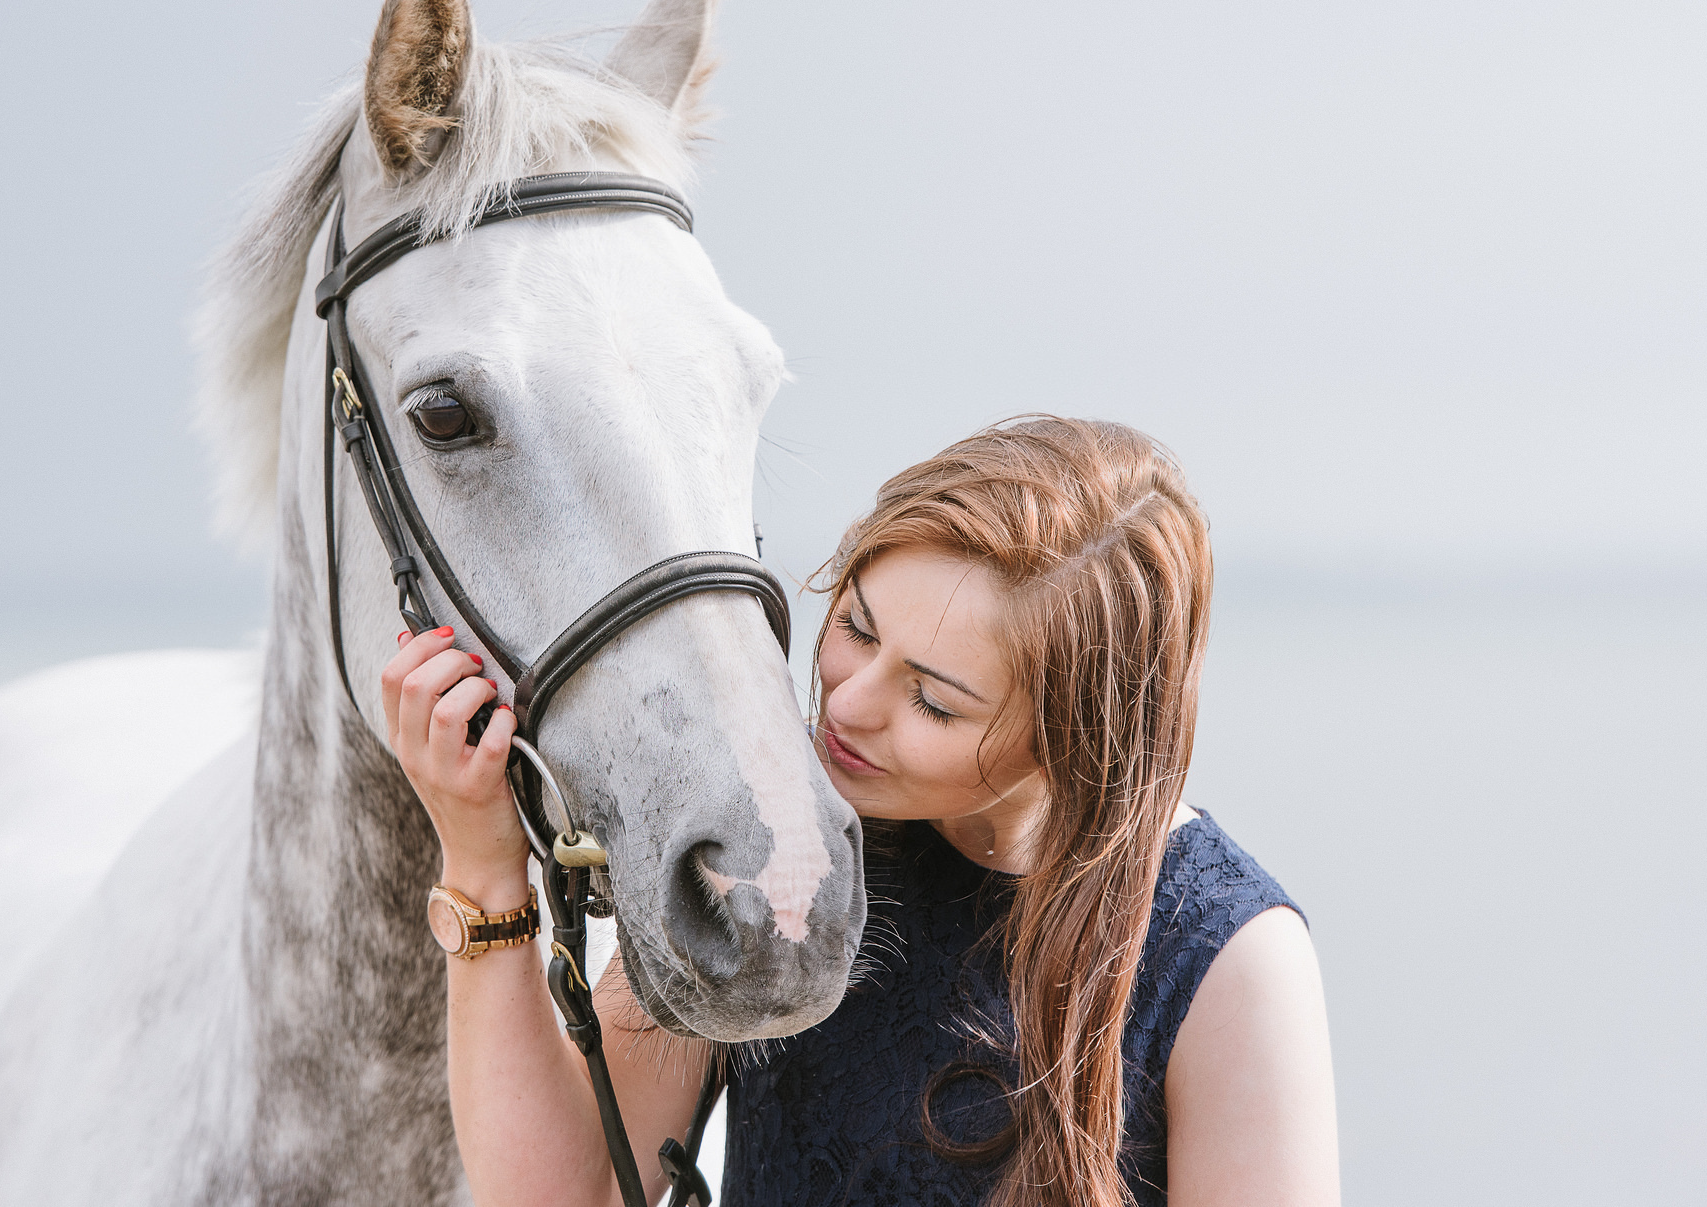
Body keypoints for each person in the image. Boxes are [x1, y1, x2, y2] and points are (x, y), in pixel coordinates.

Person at [382, 415, 1340, 1206]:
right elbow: (563, 1191)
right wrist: (480, 857)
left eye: (932, 700)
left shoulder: (1224, 957)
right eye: (857, 625)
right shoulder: (781, 831)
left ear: (1072, 741)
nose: (844, 704)